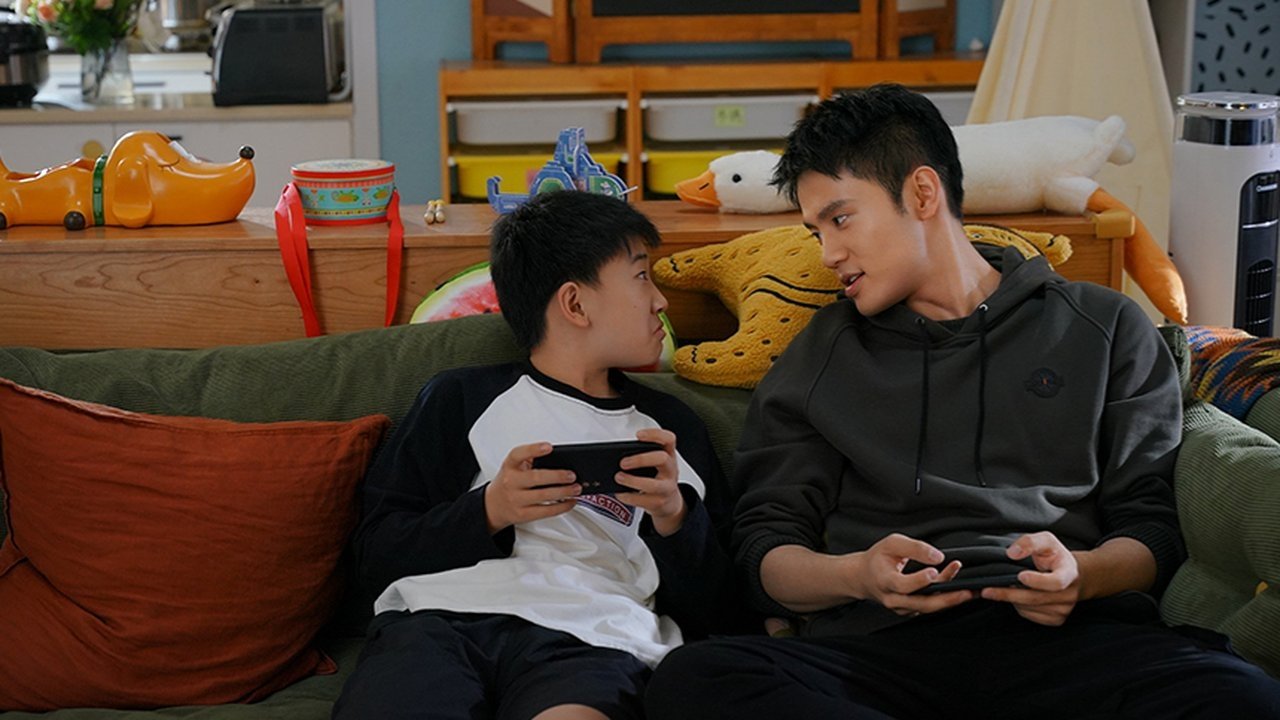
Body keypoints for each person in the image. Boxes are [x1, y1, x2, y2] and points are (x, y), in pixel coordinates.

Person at [644, 84, 1280, 719]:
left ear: (923, 193)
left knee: (1243, 697)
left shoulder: (1104, 326)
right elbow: (765, 551)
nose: (829, 253)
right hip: (879, 655)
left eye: (840, 219)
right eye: (816, 231)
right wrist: (857, 575)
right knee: (696, 679)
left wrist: (1081, 575)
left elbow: (1150, 530)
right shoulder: (820, 354)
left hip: (1073, 645)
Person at [333, 190, 741, 720]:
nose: (660, 301)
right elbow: (375, 558)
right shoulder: (461, 399)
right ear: (575, 304)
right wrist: (489, 510)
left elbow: (725, 610)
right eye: (642, 276)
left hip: (593, 636)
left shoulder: (674, 427)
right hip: (439, 622)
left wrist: (674, 518)